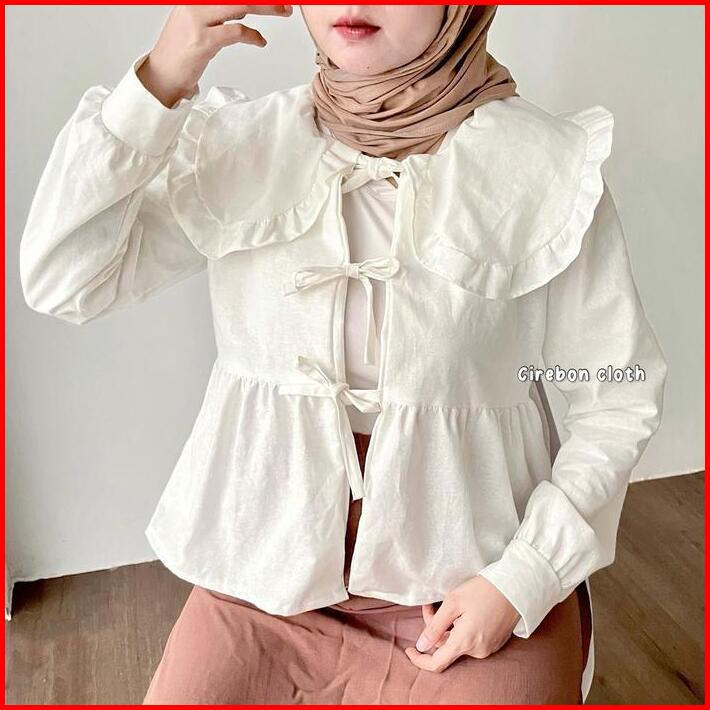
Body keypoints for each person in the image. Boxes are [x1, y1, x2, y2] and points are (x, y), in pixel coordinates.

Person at [18, 5, 668, 705]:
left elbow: (616, 392)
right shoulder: (241, 145)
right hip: (264, 579)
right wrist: (159, 80)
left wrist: (524, 577)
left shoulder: (543, 166)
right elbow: (65, 280)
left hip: (469, 580)